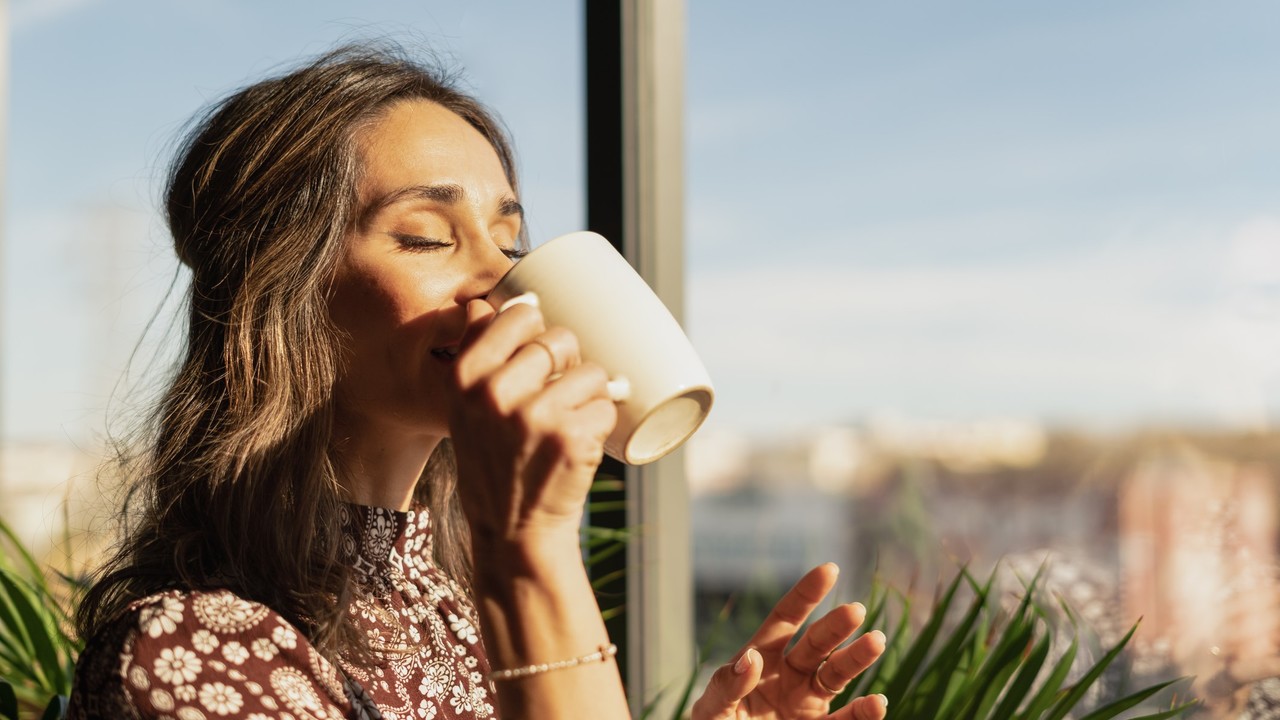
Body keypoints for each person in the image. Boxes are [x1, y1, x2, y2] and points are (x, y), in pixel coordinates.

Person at [65, 44, 889, 720]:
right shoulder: (190, 651)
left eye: (509, 235)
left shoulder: (456, 599)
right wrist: (529, 550)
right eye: (426, 237)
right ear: (282, 296)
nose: (502, 278)